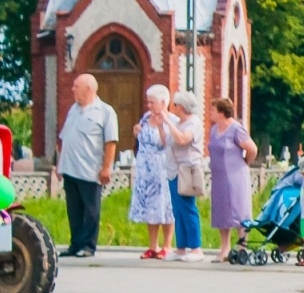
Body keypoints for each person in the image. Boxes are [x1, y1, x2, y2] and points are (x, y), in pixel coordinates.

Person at [56, 73, 119, 257]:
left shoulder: (105, 112)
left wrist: (106, 167)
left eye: (76, 86)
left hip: (90, 170)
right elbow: (65, 138)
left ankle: (88, 246)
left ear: (89, 89)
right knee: (74, 209)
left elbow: (111, 142)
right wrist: (60, 164)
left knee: (91, 210)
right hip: (70, 169)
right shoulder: (73, 110)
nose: (73, 89)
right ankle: (75, 244)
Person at [128, 84, 176, 259]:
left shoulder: (171, 119)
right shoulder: (145, 118)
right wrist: (136, 131)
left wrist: (162, 125)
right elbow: (141, 138)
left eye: (152, 102)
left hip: (162, 167)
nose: (149, 106)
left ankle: (167, 245)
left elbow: (167, 143)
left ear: (163, 102)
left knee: (165, 205)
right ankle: (152, 245)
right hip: (145, 167)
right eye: (148, 102)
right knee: (150, 206)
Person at [208, 97, 257, 263]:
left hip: (236, 174)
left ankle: (242, 246)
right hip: (219, 176)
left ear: (222, 112)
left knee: (239, 209)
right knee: (222, 210)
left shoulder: (236, 129)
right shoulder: (214, 129)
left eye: (213, 109)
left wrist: (245, 163)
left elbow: (252, 149)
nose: (210, 112)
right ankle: (224, 249)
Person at [169, 91, 206, 262]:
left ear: (181, 107)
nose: (173, 107)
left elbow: (183, 140)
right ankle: (181, 246)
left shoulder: (193, 123)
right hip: (175, 169)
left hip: (188, 169)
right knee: (177, 209)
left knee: (188, 207)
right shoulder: (179, 122)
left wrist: (168, 123)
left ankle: (196, 247)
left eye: (175, 105)